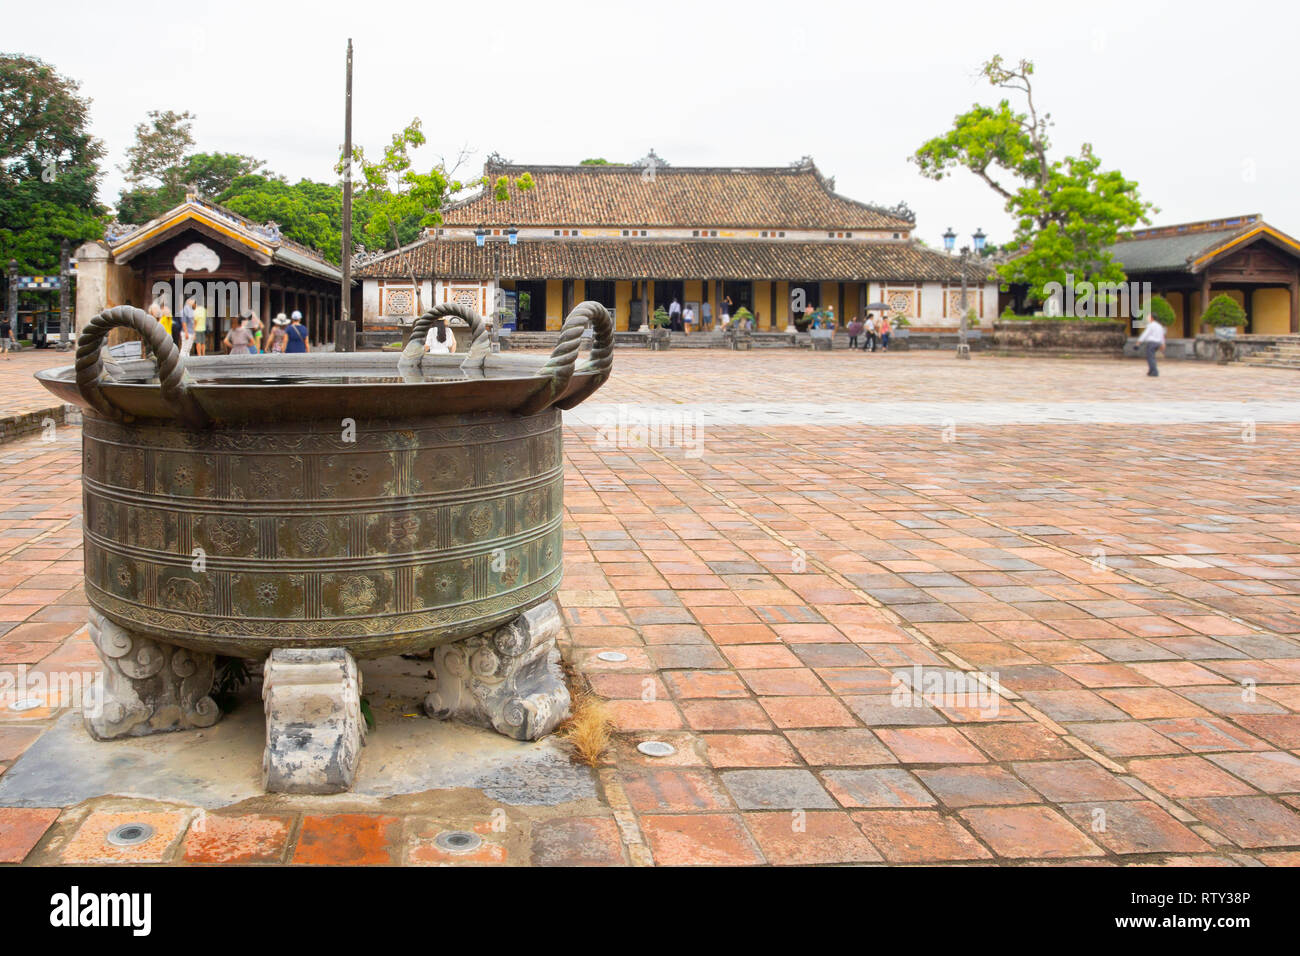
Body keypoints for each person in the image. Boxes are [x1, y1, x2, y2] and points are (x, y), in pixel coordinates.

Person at [1138, 312, 1166, 376]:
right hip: (1158, 343)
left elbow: (1145, 334)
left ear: (1151, 318)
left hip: (1152, 343)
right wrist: (1163, 344)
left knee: (1150, 357)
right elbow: (1162, 336)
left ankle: (1154, 371)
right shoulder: (1159, 326)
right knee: (1152, 357)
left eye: (1148, 317)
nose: (1148, 318)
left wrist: (1139, 341)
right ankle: (1151, 371)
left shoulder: (1151, 325)